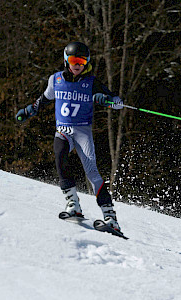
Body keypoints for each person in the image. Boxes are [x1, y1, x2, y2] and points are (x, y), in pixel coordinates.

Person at [16, 41, 124, 232]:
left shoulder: (91, 83)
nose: (78, 65)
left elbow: (117, 102)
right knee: (60, 156)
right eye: (74, 60)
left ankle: (110, 218)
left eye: (82, 62)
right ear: (67, 61)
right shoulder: (55, 80)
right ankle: (73, 205)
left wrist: (107, 100)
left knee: (92, 172)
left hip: (83, 132)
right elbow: (44, 99)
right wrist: (28, 111)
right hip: (63, 130)